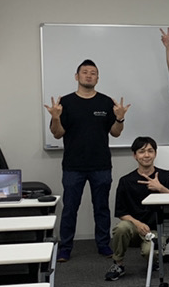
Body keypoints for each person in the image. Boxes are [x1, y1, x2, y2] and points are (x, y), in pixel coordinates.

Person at [45, 59, 128, 261]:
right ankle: (65, 248)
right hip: (73, 166)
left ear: (97, 78)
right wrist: (55, 117)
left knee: (101, 208)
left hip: (101, 165)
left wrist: (120, 118)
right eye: (85, 72)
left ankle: (103, 245)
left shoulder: (106, 102)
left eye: (93, 73)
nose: (89, 75)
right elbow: (57, 133)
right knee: (70, 208)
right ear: (77, 76)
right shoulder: (65, 102)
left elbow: (116, 133)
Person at [105, 136, 169, 281]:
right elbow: (121, 212)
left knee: (150, 252)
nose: (146, 155)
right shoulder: (125, 181)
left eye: (150, 151)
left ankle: (154, 261)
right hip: (134, 227)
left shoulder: (166, 176)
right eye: (141, 151)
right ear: (135, 155)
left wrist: (160, 188)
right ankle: (118, 265)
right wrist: (138, 224)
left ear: (155, 154)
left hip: (158, 229)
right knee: (121, 228)